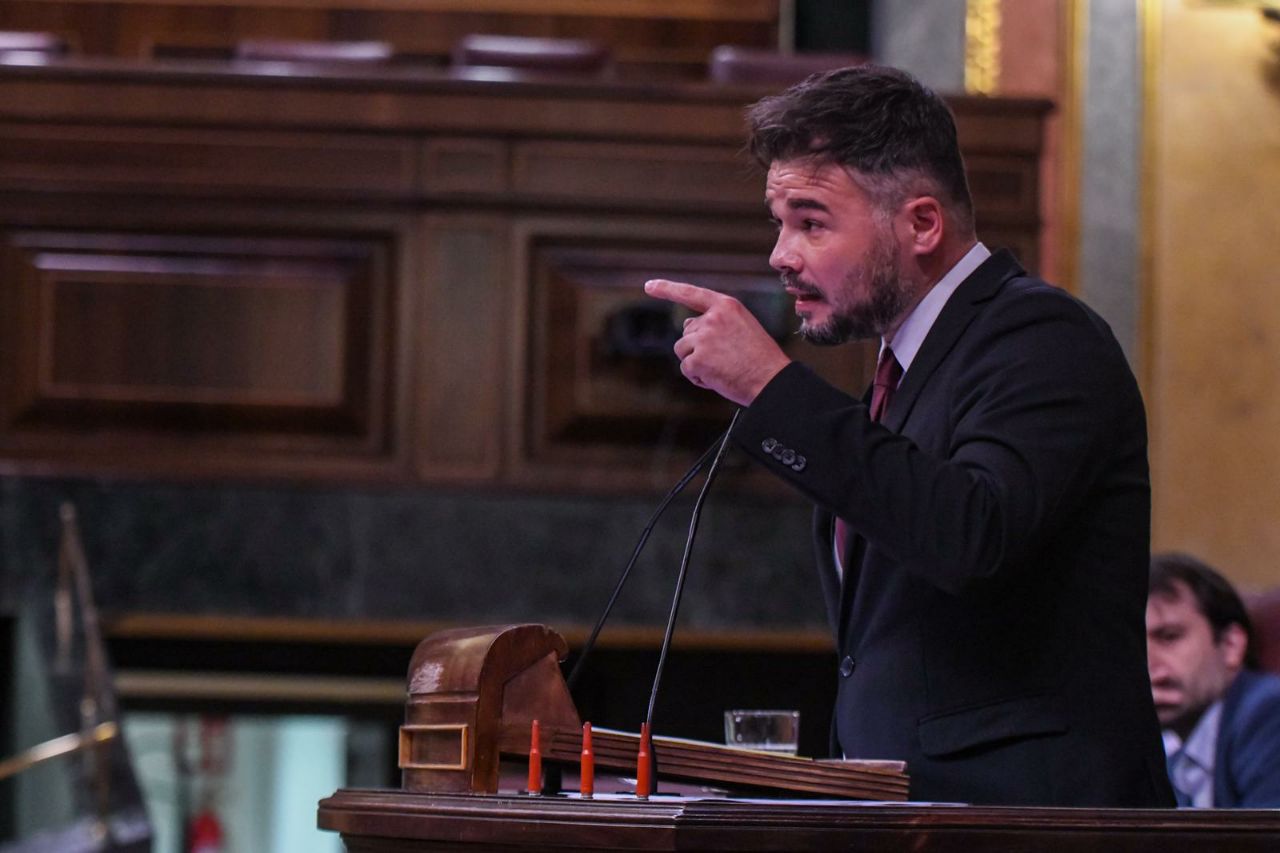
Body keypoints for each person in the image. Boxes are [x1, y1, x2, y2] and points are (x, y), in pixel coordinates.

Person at [644, 64, 1172, 806]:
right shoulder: (901, 373)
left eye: (811, 221)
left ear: (922, 223)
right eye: (780, 221)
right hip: (910, 816)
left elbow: (970, 533)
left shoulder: (1044, 338)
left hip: (1037, 823)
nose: (780, 255)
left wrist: (772, 388)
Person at [1147, 552, 1280, 807]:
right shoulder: (1156, 738)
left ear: (1231, 644)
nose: (1149, 663)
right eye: (1134, 646)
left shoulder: (1269, 714)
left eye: (1169, 637)